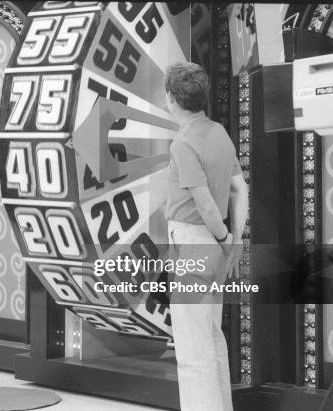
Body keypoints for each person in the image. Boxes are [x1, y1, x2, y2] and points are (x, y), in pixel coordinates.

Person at [164, 62, 249, 411]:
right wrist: (234, 240)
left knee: (192, 348)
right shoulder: (218, 132)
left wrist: (225, 233)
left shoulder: (183, 143)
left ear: (171, 99)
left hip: (192, 242)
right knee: (212, 339)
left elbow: (203, 204)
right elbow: (239, 189)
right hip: (214, 246)